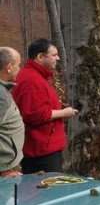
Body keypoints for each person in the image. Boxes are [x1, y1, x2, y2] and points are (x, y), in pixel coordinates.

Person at [12, 39, 78, 174]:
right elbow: (35, 114)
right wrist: (64, 113)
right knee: (46, 193)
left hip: (44, 149)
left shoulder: (36, 76)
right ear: (40, 57)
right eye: (54, 55)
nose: (58, 58)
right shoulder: (31, 80)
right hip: (41, 152)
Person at [0, 47, 24, 177]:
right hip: (4, 170)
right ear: (9, 67)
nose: (19, 69)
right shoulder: (1, 96)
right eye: (18, 65)